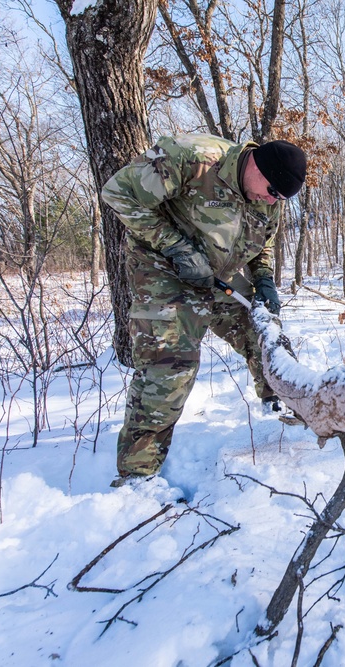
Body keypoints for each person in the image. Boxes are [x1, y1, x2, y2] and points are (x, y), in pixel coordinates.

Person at [101, 134, 306, 484]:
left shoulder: (270, 196)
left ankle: (286, 405)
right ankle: (137, 475)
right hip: (163, 267)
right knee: (171, 366)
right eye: (272, 192)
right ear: (257, 166)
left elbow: (263, 244)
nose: (272, 201)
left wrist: (264, 279)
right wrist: (177, 247)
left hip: (217, 273)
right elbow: (117, 192)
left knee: (264, 330)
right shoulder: (193, 158)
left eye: (281, 198)